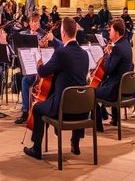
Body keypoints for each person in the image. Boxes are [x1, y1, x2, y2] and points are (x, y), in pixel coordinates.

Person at [23, 16, 89, 160]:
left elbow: (43, 72)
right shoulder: (84, 55)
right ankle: (75, 143)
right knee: (70, 95)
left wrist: (39, 63)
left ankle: (36, 149)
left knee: (37, 107)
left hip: (63, 110)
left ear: (63, 33)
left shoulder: (61, 53)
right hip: (83, 110)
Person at [94, 18, 133, 132]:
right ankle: (115, 118)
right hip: (125, 88)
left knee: (92, 92)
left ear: (116, 32)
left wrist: (107, 55)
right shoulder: (125, 43)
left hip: (115, 90)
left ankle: (98, 126)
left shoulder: (117, 48)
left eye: (110, 30)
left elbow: (108, 69)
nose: (108, 32)